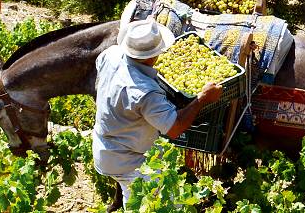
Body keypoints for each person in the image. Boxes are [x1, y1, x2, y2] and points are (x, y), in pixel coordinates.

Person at [93, 19, 223, 207]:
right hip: (129, 161)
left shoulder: (110, 54)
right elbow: (174, 128)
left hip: (106, 149)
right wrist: (202, 98)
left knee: (134, 202)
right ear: (152, 56)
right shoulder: (145, 93)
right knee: (166, 207)